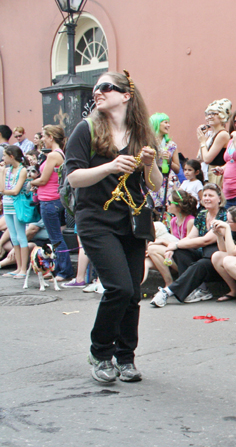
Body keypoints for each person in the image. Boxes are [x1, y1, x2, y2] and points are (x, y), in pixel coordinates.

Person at [64, 70, 162, 383]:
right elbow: (73, 177)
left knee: (133, 292)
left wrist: (148, 165)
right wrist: (109, 165)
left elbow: (156, 184)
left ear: (126, 95)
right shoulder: (87, 129)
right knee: (118, 287)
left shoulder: (141, 134)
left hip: (131, 220)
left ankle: (126, 357)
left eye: (105, 87)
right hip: (95, 219)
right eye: (95, 89)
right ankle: (100, 352)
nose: (98, 92)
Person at [150, 183, 227, 307]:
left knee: (200, 263)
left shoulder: (224, 215)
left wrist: (174, 245)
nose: (207, 198)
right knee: (180, 251)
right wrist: (175, 246)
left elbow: (206, 240)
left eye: (211, 195)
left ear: (219, 198)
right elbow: (191, 237)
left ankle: (167, 292)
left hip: (217, 258)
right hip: (203, 255)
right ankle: (196, 289)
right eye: (205, 195)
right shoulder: (202, 214)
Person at [29, 125, 74, 280]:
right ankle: (58, 269)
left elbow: (44, 179)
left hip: (49, 200)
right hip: (52, 199)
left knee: (55, 238)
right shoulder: (58, 154)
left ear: (51, 137)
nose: (42, 139)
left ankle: (64, 270)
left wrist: (32, 182)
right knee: (54, 237)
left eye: (43, 136)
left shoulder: (53, 155)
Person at [144, 189, 197, 287]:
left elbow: (190, 246)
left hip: (186, 260)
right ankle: (134, 291)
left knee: (152, 248)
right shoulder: (173, 221)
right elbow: (173, 240)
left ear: (179, 206)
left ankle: (168, 283)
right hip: (173, 255)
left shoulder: (191, 221)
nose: (166, 205)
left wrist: (163, 242)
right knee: (146, 261)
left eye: (169, 202)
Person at [1, 145, 30, 278]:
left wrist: (4, 192)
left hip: (17, 205)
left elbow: (15, 190)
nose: (3, 158)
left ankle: (23, 269)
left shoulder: (22, 170)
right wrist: (1, 173)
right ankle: (18, 268)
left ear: (11, 156)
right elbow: (2, 188)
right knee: (13, 237)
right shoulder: (7, 170)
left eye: (5, 156)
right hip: (7, 205)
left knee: (21, 236)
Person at [197, 99, 231, 188]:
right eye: (208, 114)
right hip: (209, 174)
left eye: (213, 114)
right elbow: (201, 157)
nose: (210, 117)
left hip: (217, 175)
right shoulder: (211, 134)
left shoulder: (222, 134)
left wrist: (202, 142)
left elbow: (207, 158)